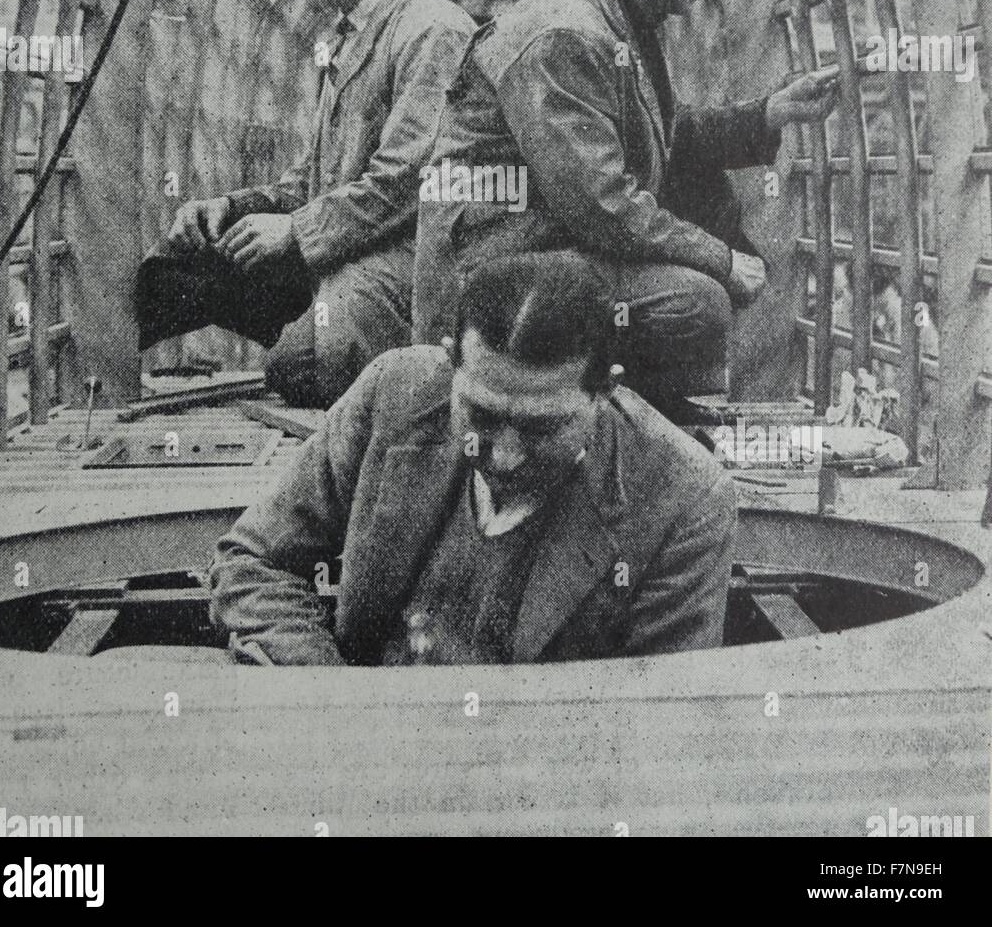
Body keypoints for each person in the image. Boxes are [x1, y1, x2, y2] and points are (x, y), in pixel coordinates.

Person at [413, 0, 839, 419]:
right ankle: (600, 415)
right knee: (696, 303)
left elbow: (665, 134)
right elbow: (599, 204)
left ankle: (619, 407)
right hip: (489, 275)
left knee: (705, 215)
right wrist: (723, 259)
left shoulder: (613, 16)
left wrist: (773, 112)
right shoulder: (567, 32)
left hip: (532, 248)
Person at [209, 252, 736, 666]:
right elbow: (255, 559)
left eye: (541, 427)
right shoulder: (393, 392)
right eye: (481, 416)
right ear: (449, 362)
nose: (504, 457)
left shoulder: (684, 497)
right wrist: (331, 694)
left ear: (605, 392)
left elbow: (656, 713)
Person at [134, 0, 475, 406]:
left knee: (304, 364)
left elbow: (405, 183)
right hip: (351, 243)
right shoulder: (348, 36)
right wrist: (231, 208)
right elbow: (310, 178)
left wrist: (293, 231)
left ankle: (404, 370)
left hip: (413, 253)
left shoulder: (430, 28)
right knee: (173, 273)